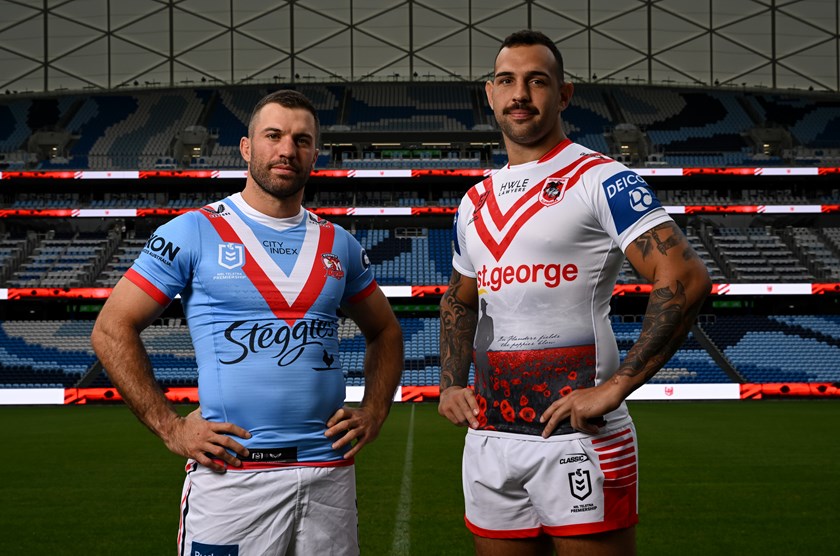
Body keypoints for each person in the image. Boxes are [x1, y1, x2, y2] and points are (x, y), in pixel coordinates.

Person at [91, 89, 404, 556]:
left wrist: (375, 412)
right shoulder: (192, 231)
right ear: (246, 147)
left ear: (315, 155)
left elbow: (386, 332)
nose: (286, 150)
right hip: (233, 477)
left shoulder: (339, 244)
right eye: (273, 135)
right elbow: (111, 328)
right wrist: (170, 427)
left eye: (301, 140)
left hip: (329, 477)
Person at [438, 30, 712, 555]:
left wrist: (615, 388)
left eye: (536, 81)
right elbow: (459, 299)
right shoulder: (473, 202)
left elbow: (685, 277)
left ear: (563, 95)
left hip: (582, 437)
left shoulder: (602, 179)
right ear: (490, 94)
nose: (520, 93)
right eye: (506, 81)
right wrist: (450, 384)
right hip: (491, 436)